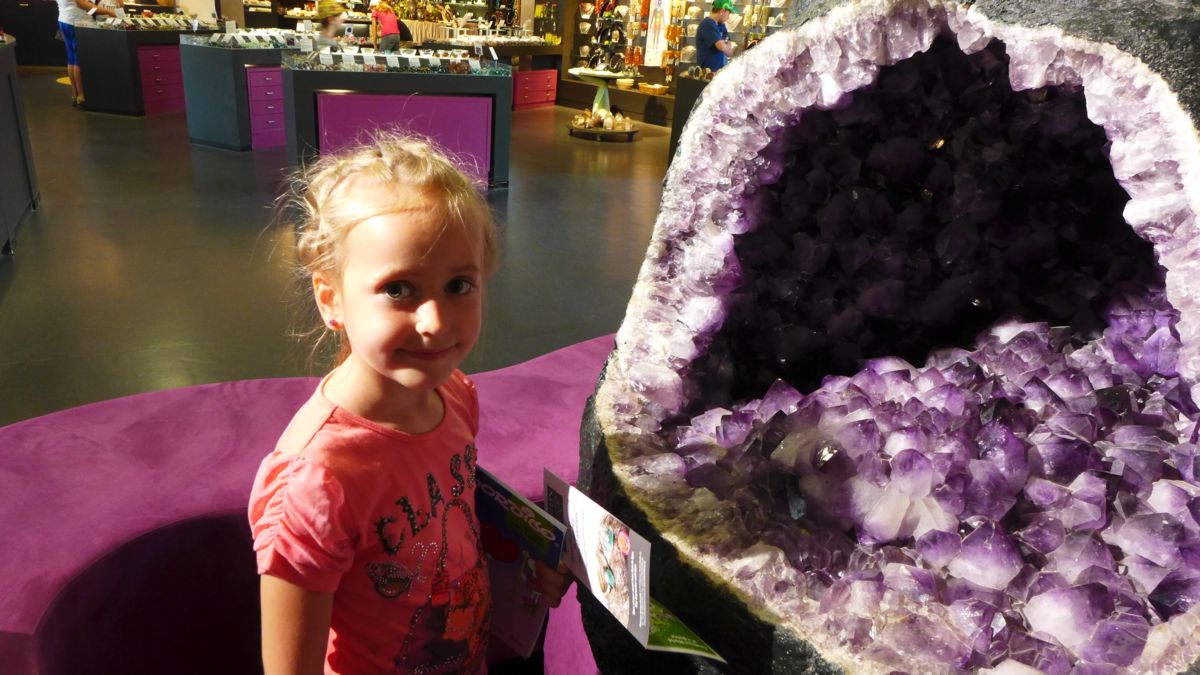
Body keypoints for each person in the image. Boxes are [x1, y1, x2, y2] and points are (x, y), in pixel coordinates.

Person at [248, 133, 573, 675]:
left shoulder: (454, 395)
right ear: (330, 298)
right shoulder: (316, 481)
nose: (435, 322)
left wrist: (526, 558)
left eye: (459, 285)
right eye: (398, 289)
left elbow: (454, 518)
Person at [56, 0, 118, 107]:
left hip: (64, 19)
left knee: (71, 59)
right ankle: (81, 96)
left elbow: (86, 7)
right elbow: (82, 4)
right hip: (75, 21)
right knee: (78, 59)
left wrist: (94, 11)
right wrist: (108, 12)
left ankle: (75, 94)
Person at [694, 0, 737, 73]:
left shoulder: (721, 25)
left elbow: (730, 52)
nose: (728, 17)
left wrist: (724, 46)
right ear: (722, 11)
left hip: (719, 73)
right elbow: (721, 47)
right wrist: (724, 45)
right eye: (729, 13)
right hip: (707, 73)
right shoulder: (707, 24)